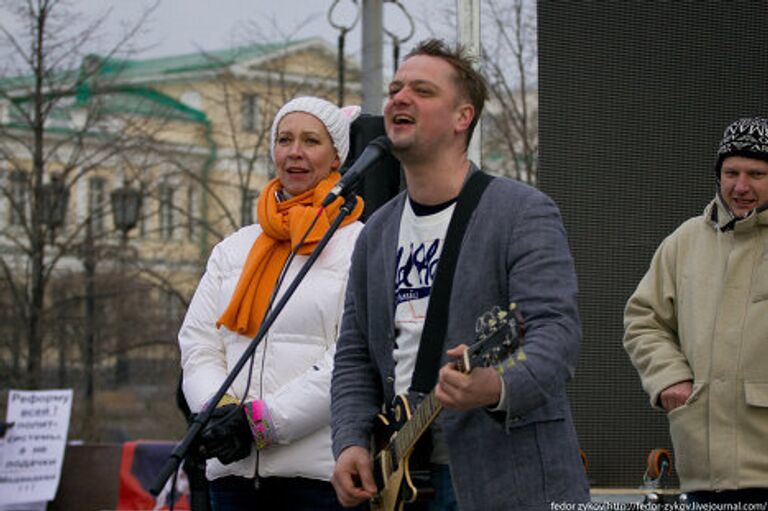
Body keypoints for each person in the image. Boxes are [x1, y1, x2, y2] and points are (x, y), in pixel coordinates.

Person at [330, 39, 590, 511]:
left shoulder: (520, 212)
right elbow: (353, 355)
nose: (399, 99)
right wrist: (350, 442)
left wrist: (497, 385)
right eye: (394, 89)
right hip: (401, 476)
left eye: (422, 90)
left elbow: (557, 333)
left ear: (462, 117)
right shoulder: (376, 232)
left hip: (503, 472)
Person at [178, 96, 367, 511]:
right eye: (284, 139)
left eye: (310, 141)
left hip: (318, 479)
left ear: (336, 156)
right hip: (233, 476)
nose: (294, 152)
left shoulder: (360, 244)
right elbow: (199, 344)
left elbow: (352, 356)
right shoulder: (234, 248)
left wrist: (262, 423)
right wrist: (220, 413)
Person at [624, 116, 768, 505]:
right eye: (731, 172)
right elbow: (643, 320)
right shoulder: (683, 242)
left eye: (757, 173)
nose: (741, 186)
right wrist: (669, 377)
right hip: (701, 470)